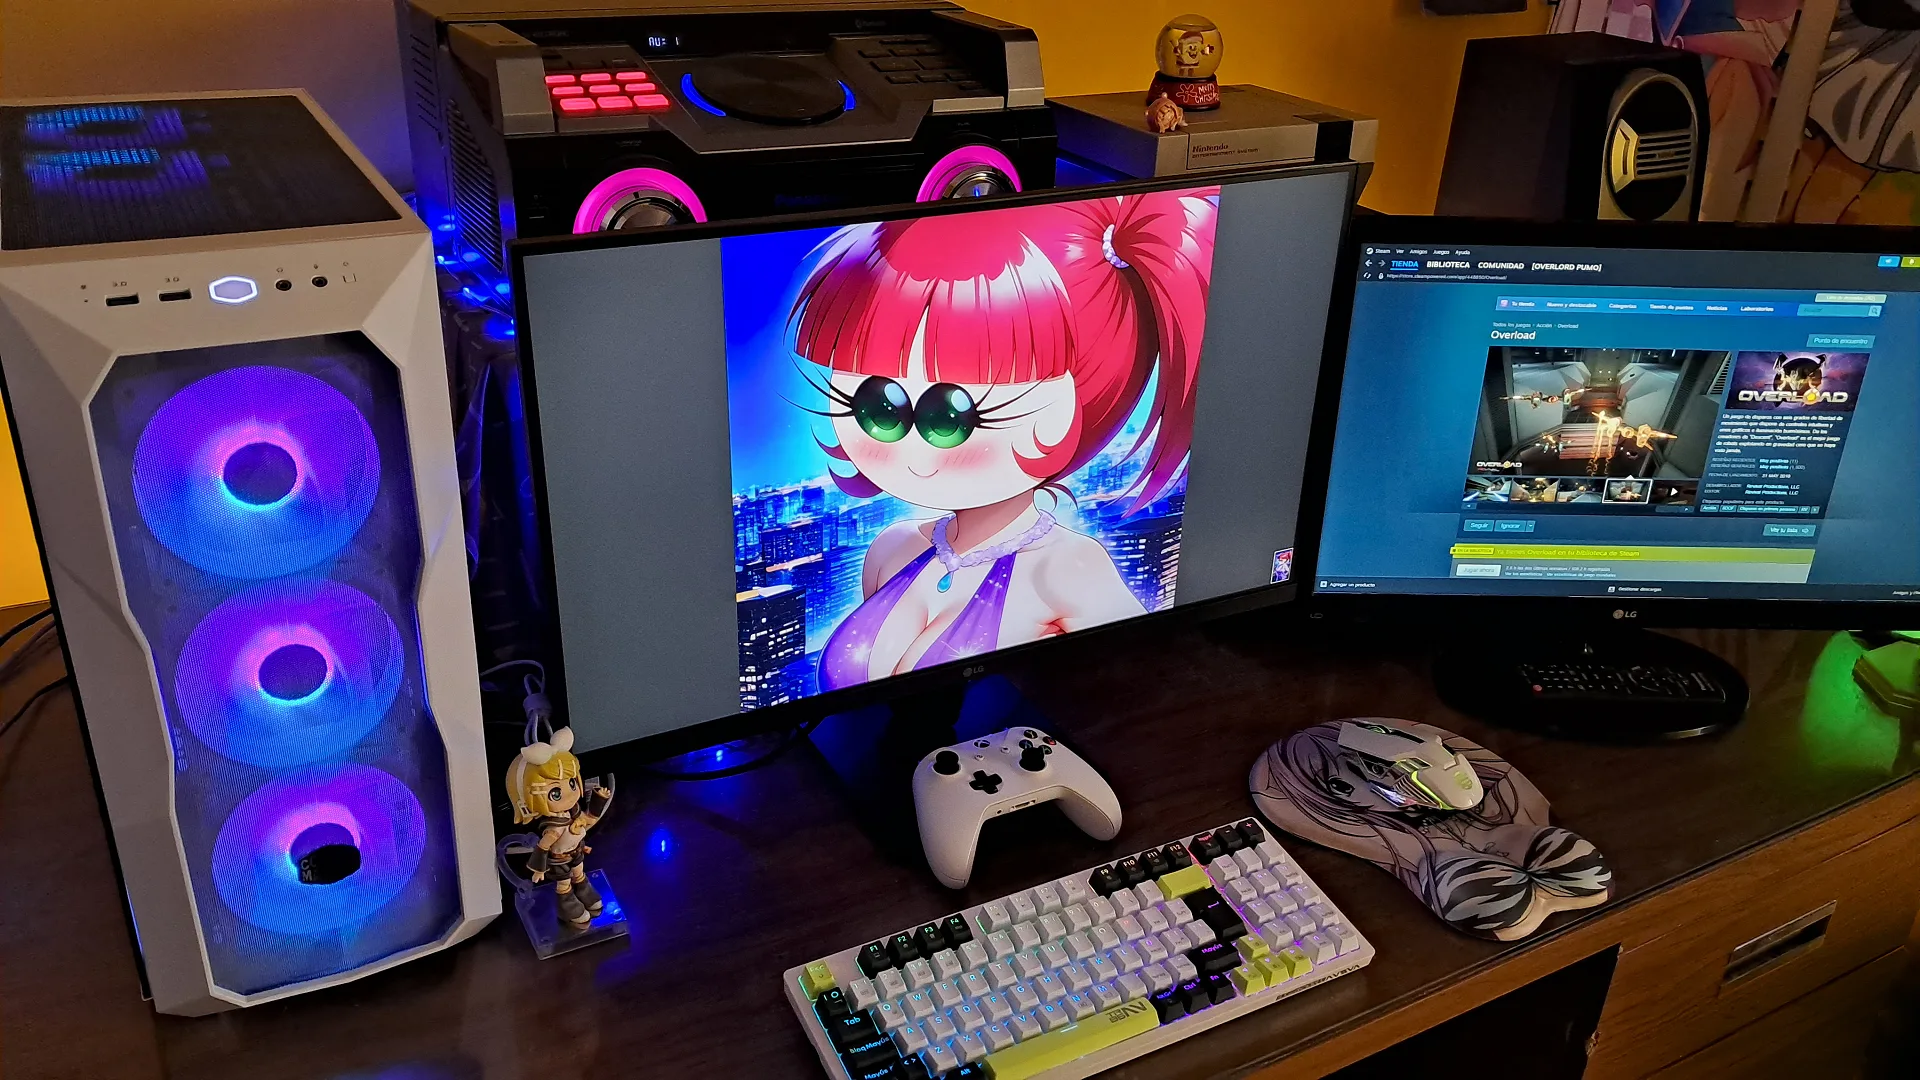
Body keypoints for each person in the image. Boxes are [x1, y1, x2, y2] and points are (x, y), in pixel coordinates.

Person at [786, 189, 1217, 691]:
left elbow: (1148, 691)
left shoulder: (1068, 569)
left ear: (1053, 416)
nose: (913, 450)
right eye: (879, 407)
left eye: (948, 415)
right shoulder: (890, 549)